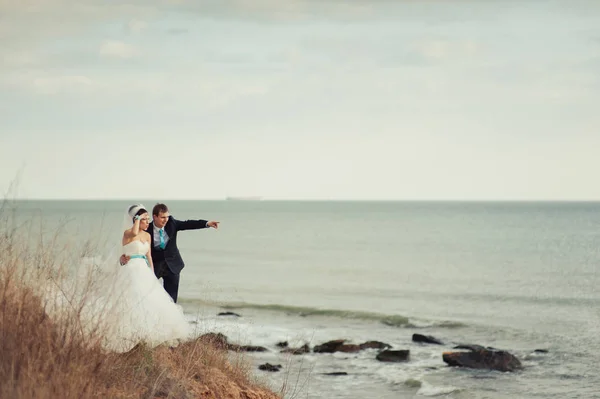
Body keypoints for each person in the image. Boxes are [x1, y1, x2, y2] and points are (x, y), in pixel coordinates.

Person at [120, 203, 219, 303]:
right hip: (156, 264)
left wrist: (207, 223)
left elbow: (188, 224)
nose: (165, 219)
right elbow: (132, 245)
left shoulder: (172, 223)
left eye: (167, 217)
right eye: (162, 217)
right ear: (154, 217)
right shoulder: (147, 229)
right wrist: (124, 258)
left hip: (173, 265)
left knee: (171, 299)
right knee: (147, 292)